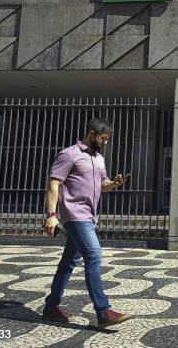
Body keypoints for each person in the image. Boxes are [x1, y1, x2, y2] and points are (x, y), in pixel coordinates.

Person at [41, 117, 129, 329]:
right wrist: (51, 214)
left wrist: (114, 183)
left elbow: (103, 185)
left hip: (89, 216)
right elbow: (54, 184)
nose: (105, 142)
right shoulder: (69, 154)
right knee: (93, 255)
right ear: (92, 134)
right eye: (103, 138)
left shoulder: (99, 159)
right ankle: (103, 311)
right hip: (74, 215)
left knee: (68, 263)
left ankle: (51, 306)